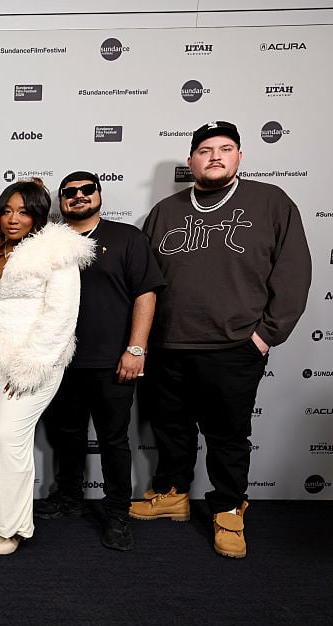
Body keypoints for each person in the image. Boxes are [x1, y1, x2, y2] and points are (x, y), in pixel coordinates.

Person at [132, 121, 310, 558]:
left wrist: (264, 337)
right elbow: (145, 282)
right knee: (171, 428)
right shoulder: (166, 211)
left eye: (225, 148)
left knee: (228, 436)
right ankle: (173, 493)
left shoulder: (271, 202)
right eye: (205, 150)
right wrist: (144, 340)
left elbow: (293, 274)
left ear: (239, 157)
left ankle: (229, 507)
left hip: (233, 347)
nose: (215, 156)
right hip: (169, 346)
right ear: (191, 161)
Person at [35, 172, 166, 551]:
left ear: (99, 194)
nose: (78, 196)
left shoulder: (126, 237)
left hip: (113, 361)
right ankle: (69, 497)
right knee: (67, 435)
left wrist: (136, 349)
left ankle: (117, 513)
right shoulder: (49, 241)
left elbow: (146, 293)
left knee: (113, 440)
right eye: (69, 192)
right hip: (62, 361)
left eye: (87, 189)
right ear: (61, 200)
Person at [0, 178, 95, 555]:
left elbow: (62, 316)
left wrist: (31, 364)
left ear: (38, 216)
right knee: (5, 442)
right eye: (7, 211)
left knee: (8, 436)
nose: (14, 219)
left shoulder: (56, 252)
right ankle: (9, 521)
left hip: (34, 363)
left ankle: (9, 530)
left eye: (24, 212)